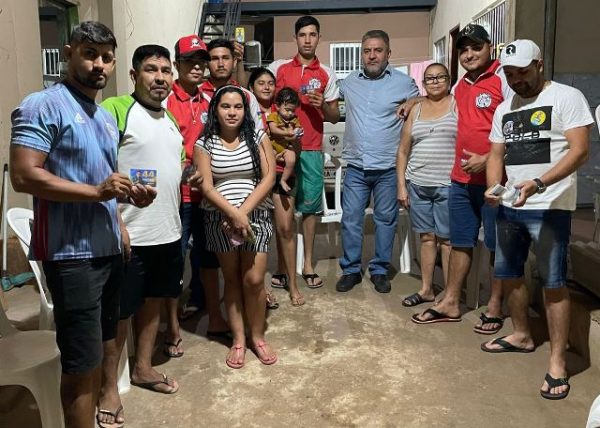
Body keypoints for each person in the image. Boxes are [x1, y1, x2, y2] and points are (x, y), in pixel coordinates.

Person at [9, 21, 154, 428]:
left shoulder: (104, 117)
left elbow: (104, 180)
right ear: (68, 53)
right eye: (90, 54)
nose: (99, 65)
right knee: (79, 364)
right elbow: (23, 175)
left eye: (107, 57)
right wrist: (96, 192)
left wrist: (122, 210)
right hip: (72, 256)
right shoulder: (43, 105)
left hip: (108, 248)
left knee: (102, 349)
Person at [482, 39, 593, 400]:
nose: (516, 80)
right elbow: (496, 153)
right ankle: (521, 334)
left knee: (553, 282)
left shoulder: (566, 97)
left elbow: (580, 151)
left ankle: (557, 362)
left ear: (539, 65)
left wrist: (539, 183)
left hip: (550, 206)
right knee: (510, 274)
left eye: (523, 72)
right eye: (510, 74)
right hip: (511, 205)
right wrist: (494, 187)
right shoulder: (505, 108)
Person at [99, 45, 184, 426]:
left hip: (167, 231)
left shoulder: (171, 119)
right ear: (134, 75)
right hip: (129, 233)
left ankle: (143, 367)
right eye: (151, 69)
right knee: (119, 313)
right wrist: (116, 221)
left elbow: (169, 166)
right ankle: (108, 388)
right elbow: (97, 167)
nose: (160, 77)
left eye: (166, 70)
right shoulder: (116, 110)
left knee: (153, 303)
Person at [412, 24, 510, 331]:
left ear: (490, 47)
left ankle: (495, 306)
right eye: (463, 49)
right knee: (460, 242)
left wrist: (490, 158)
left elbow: (517, 129)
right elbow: (436, 100)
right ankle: (452, 301)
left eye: (476, 47)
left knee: (497, 246)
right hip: (460, 181)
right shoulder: (461, 85)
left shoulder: (504, 78)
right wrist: (411, 102)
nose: (469, 54)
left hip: (496, 182)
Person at [190, 85, 277, 368]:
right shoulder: (204, 143)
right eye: (225, 106)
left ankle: (258, 337)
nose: (232, 112)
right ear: (215, 110)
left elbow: (269, 177)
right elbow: (206, 186)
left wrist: (243, 213)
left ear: (245, 110)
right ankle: (239, 340)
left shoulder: (258, 137)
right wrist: (232, 213)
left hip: (256, 216)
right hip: (219, 219)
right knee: (231, 279)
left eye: (238, 106)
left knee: (254, 280)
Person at [335, 29, 419, 293]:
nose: (372, 56)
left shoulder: (404, 83)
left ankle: (380, 270)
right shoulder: (349, 81)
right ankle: (351, 270)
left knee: (385, 220)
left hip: (388, 168)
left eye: (378, 50)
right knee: (351, 219)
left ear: (388, 53)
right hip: (356, 167)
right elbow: (328, 98)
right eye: (367, 51)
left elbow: (429, 100)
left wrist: (414, 101)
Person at [166, 35, 230, 339]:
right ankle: (172, 325)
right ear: (177, 64)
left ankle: (212, 313)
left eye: (201, 61)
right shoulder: (165, 99)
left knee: (208, 257)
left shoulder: (211, 99)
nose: (196, 67)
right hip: (177, 196)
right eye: (189, 61)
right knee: (174, 259)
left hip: (207, 194)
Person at [269, 15, 340, 288]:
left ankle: (308, 264)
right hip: (280, 149)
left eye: (312, 34)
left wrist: (323, 105)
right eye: (302, 35)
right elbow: (258, 92)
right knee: (283, 213)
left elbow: (334, 117)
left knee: (310, 210)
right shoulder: (279, 67)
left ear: (319, 38)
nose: (307, 40)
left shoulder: (327, 73)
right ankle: (282, 266)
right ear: (295, 38)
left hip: (311, 148)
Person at [397, 62, 456, 305]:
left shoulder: (457, 105)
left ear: (449, 80)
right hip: (418, 184)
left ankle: (450, 294)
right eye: (430, 78)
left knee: (447, 241)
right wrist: (401, 185)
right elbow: (403, 151)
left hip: (448, 185)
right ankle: (426, 289)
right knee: (426, 238)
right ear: (423, 83)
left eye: (440, 77)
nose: (435, 82)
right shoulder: (416, 111)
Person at [248, 68, 305, 307]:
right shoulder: (246, 111)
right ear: (251, 87)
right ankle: (261, 289)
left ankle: (293, 284)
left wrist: (291, 147)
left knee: (286, 229)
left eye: (270, 82)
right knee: (256, 234)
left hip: (283, 175)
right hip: (256, 177)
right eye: (260, 82)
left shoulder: (285, 112)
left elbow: (298, 146)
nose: (266, 87)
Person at [267, 87, 302, 193]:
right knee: (269, 158)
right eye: (287, 110)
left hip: (286, 147)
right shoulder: (273, 116)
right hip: (273, 145)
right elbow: (273, 130)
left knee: (291, 160)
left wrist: (298, 132)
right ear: (277, 106)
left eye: (293, 110)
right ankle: (269, 179)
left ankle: (283, 179)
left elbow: (298, 130)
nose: (290, 113)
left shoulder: (294, 119)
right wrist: (287, 133)